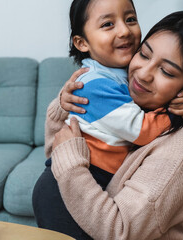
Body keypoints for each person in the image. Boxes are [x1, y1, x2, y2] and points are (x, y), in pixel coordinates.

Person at [32, 10, 183, 240]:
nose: (144, 73)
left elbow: (121, 232)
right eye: (144, 54)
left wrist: (70, 165)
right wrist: (64, 105)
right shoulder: (133, 100)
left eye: (166, 71)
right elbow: (55, 151)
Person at [60, 0, 171, 190]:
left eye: (130, 19)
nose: (124, 31)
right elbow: (141, 130)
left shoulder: (127, 72)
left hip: (99, 176)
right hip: (73, 181)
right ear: (82, 42)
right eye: (107, 24)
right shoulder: (95, 84)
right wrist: (175, 110)